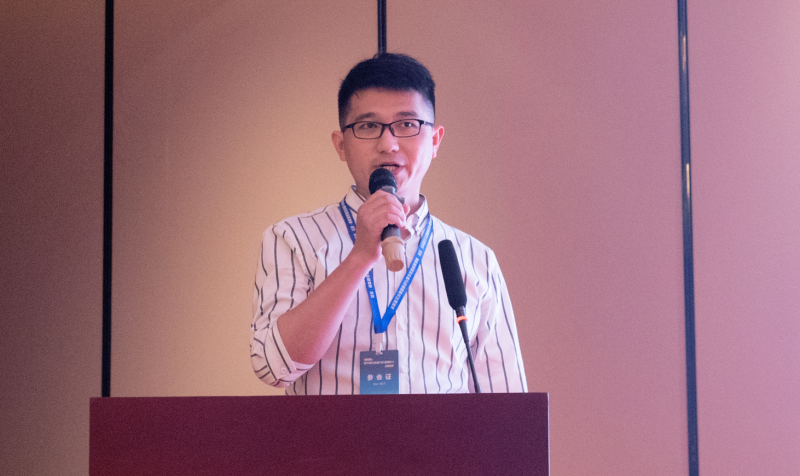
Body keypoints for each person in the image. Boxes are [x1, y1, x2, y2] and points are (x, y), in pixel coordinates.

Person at [250, 53, 526, 394]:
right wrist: (359, 257)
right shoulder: (293, 239)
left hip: (438, 433)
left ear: (435, 141)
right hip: (330, 433)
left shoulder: (475, 258)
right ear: (341, 145)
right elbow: (273, 367)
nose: (388, 144)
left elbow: (505, 399)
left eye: (407, 124)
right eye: (368, 126)